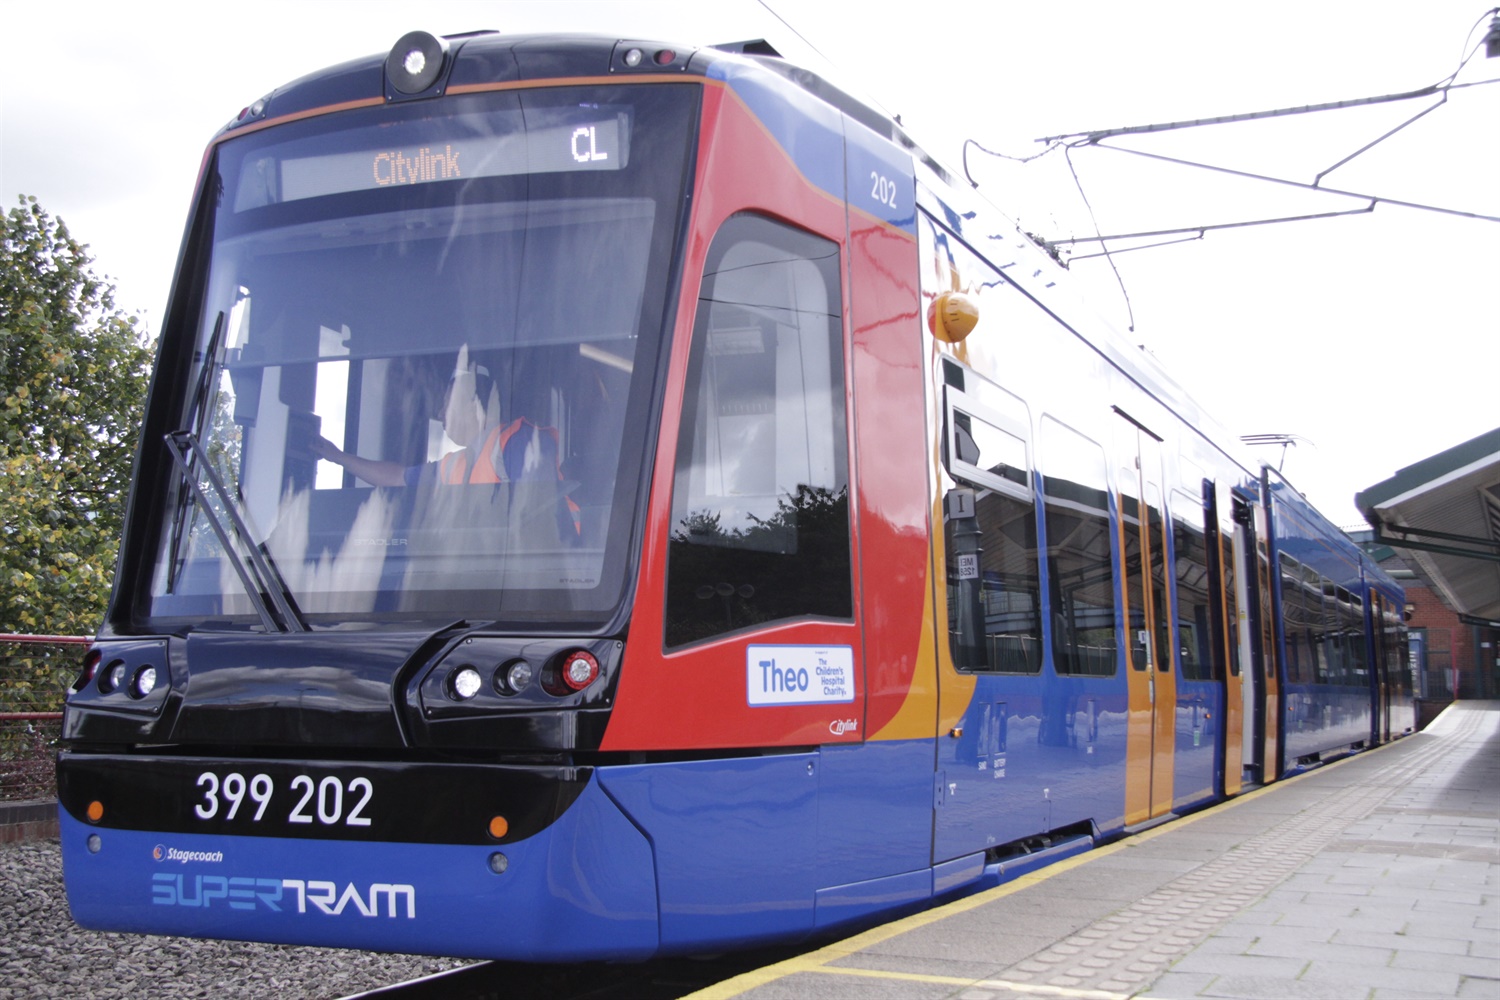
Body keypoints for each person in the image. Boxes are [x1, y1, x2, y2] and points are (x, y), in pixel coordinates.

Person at [309, 350, 581, 535]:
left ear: (475, 403)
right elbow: (395, 477)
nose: (440, 415)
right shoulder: (456, 465)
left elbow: (538, 523)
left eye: (447, 404)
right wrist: (338, 457)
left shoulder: (519, 443)